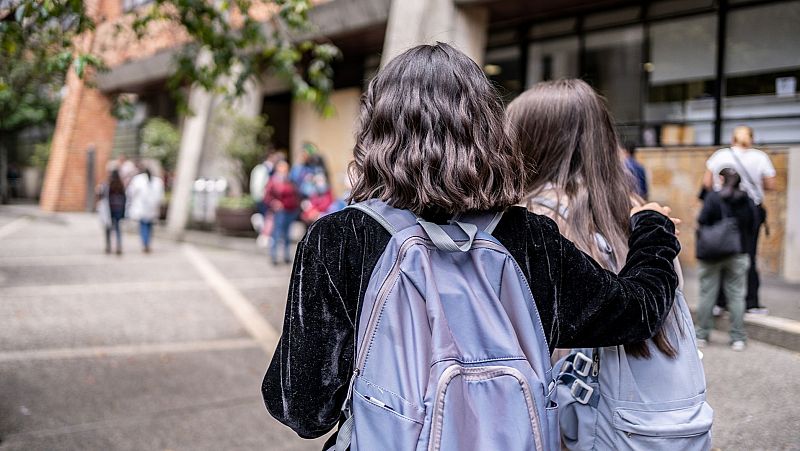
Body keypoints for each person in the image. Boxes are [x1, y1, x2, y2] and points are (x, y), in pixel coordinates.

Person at [262, 43, 680, 450]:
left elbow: (302, 410)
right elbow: (637, 310)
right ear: (488, 128)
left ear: (375, 132)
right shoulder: (531, 238)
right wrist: (652, 227)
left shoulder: (340, 239)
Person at [507, 79, 710, 450]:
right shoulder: (638, 211)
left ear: (527, 142)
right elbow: (668, 294)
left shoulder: (530, 221)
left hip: (572, 417)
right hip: (642, 413)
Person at [702, 126, 775, 314]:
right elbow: (770, 184)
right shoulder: (760, 157)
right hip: (748, 210)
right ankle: (750, 302)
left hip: (722, 208)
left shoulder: (719, 156)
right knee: (748, 254)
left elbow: (707, 184)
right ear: (751, 138)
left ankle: (720, 302)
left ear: (732, 138)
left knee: (720, 252)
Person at [696, 168, 755, 351]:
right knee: (737, 295)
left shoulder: (713, 198)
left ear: (721, 179)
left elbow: (703, 220)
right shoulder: (747, 199)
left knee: (707, 293)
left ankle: (702, 335)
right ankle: (738, 337)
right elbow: (754, 224)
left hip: (713, 253)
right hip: (739, 252)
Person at [264, 159, 300, 265]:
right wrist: (273, 203)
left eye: (285, 167)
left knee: (287, 235)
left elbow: (295, 194)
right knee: (277, 233)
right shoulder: (273, 180)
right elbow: (267, 196)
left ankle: (286, 256)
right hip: (280, 211)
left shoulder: (290, 180)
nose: (284, 169)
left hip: (290, 210)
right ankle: (274, 256)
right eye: (282, 167)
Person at [126, 167, 164, 253]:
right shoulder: (157, 181)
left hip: (142, 208)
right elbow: (161, 196)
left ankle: (145, 243)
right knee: (149, 226)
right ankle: (147, 243)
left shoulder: (138, 180)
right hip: (151, 208)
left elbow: (131, 193)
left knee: (143, 226)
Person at [97, 169, 126, 255]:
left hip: (109, 210)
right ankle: (118, 245)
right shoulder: (120, 185)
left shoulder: (107, 185)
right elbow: (125, 198)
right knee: (117, 228)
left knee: (108, 229)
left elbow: (101, 196)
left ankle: (108, 246)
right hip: (118, 209)